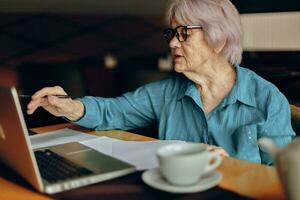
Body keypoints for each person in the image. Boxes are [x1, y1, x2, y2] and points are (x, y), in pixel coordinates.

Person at [27, 0, 295, 165]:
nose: (171, 43)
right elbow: (114, 111)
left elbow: (282, 176)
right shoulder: (166, 92)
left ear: (220, 40)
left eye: (183, 33)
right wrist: (71, 107)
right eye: (171, 32)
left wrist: (235, 170)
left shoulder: (267, 99)